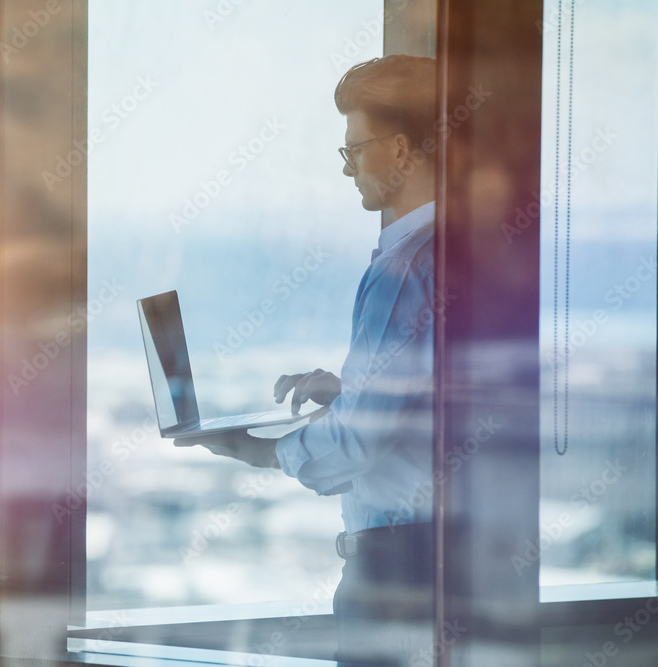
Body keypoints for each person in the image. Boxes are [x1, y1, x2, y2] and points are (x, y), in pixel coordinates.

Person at [175, 55, 437, 666]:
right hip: (435, 564)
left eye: (355, 150)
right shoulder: (455, 252)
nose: (348, 171)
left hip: (396, 573)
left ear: (400, 151)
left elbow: (361, 443)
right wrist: (351, 390)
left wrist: (258, 448)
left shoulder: (405, 269)